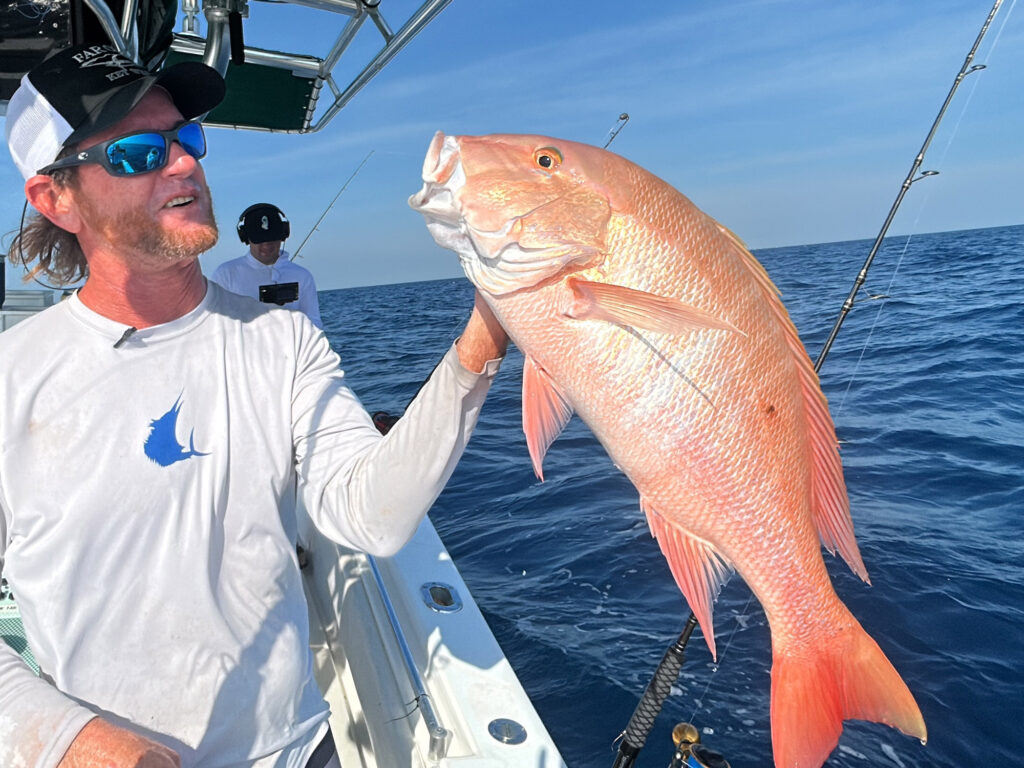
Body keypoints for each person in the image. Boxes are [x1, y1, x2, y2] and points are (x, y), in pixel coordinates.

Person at [0, 43, 508, 768]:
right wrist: (69, 740)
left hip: (297, 752)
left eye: (186, 138)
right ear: (56, 199)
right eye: (138, 153)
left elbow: (372, 516)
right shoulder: (12, 378)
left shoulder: (286, 342)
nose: (184, 163)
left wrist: (483, 340)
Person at [211, 203, 324, 329]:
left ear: (284, 235)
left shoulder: (302, 276)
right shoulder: (225, 274)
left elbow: (314, 323)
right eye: (259, 239)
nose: (266, 245)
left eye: (272, 238)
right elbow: (215, 325)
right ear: (245, 238)